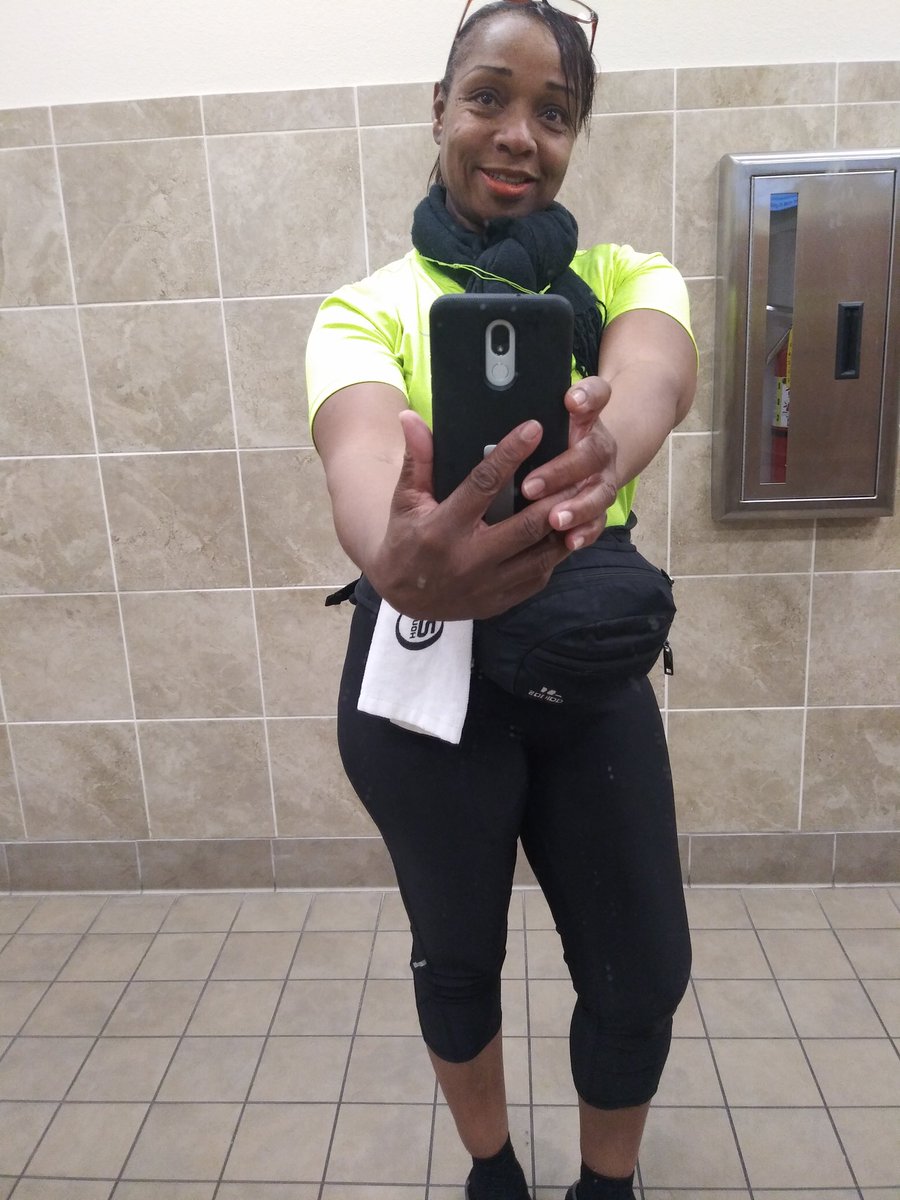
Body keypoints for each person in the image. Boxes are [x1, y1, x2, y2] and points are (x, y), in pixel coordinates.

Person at [305, 3, 697, 1197]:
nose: (520, 133)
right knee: (459, 957)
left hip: (583, 668)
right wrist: (393, 551)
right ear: (440, 110)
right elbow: (359, 451)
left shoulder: (624, 277)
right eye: (489, 97)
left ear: (575, 135)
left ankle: (607, 1185)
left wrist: (605, 455)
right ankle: (493, 1174)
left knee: (642, 971)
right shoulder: (367, 308)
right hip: (427, 676)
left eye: (554, 112)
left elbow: (655, 373)